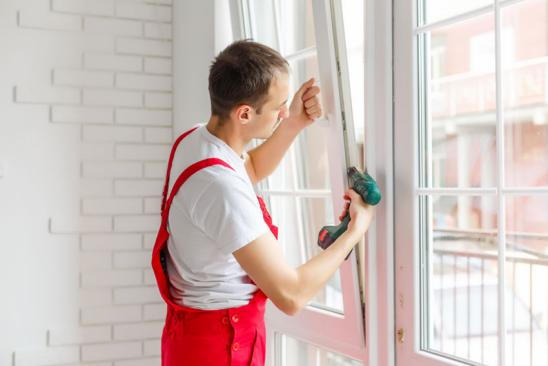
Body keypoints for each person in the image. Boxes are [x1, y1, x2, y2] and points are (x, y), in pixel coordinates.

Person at [151, 39, 375, 366]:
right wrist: (355, 231)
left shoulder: (197, 139)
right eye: (278, 106)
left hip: (193, 338)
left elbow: (250, 168)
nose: (284, 111)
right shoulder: (219, 188)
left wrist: (294, 122)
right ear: (244, 113)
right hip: (220, 347)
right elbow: (291, 295)